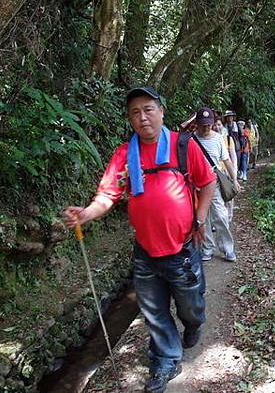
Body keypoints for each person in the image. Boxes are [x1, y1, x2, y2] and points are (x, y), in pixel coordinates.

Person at [63, 87, 216, 393]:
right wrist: (86, 214)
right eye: (135, 112)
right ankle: (165, 360)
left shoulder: (182, 145)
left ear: (161, 112)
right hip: (145, 251)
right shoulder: (124, 155)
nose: (142, 117)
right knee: (154, 312)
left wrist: (199, 218)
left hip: (182, 248)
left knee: (191, 307)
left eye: (148, 109)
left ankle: (194, 324)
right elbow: (108, 195)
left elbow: (207, 182)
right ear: (130, 120)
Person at [194, 107, 240, 262]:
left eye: (209, 125)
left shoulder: (219, 138)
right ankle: (207, 248)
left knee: (220, 215)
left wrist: (234, 179)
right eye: (203, 125)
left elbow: (226, 160)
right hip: (197, 185)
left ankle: (227, 249)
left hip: (214, 183)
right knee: (203, 219)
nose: (206, 128)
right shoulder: (191, 140)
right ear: (197, 124)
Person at [213, 116, 238, 222]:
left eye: (219, 124)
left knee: (228, 196)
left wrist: (234, 175)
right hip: (215, 174)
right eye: (215, 125)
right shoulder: (208, 140)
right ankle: (221, 220)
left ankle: (228, 218)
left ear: (222, 126)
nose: (217, 127)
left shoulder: (228, 139)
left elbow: (233, 157)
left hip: (226, 172)